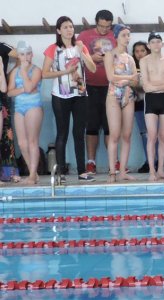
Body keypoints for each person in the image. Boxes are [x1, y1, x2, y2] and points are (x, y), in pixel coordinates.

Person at [43, 16, 97, 182]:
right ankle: (60, 173)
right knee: (62, 133)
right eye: (65, 27)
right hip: (60, 95)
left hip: (80, 94)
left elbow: (93, 69)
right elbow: (45, 73)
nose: (69, 29)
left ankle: (82, 172)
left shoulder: (80, 46)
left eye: (71, 27)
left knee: (79, 133)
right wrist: (65, 72)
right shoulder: (53, 49)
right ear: (59, 30)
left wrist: (83, 52)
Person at [77, 9, 116, 175]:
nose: (104, 30)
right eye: (101, 26)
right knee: (92, 126)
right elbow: (75, 57)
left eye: (107, 27)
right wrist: (92, 58)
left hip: (111, 87)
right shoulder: (84, 36)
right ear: (96, 22)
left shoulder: (115, 36)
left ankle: (113, 163)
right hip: (89, 86)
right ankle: (91, 162)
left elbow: (122, 58)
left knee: (111, 127)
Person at [139, 32, 164, 182]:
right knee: (152, 136)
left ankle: (160, 169)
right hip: (151, 100)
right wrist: (162, 84)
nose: (155, 44)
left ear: (162, 44)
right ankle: (152, 171)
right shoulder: (144, 61)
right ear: (148, 45)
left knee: (163, 135)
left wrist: (155, 85)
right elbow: (145, 87)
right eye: (152, 42)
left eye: (158, 41)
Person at [104, 24, 137, 183]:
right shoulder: (110, 55)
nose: (127, 38)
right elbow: (111, 77)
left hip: (128, 96)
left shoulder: (130, 58)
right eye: (124, 35)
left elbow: (136, 79)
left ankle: (122, 171)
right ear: (116, 37)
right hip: (113, 95)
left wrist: (129, 79)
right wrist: (129, 78)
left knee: (127, 135)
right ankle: (112, 172)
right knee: (115, 134)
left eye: (128, 35)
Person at [6, 41, 42, 185]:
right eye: (22, 54)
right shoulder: (14, 71)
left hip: (34, 106)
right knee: (21, 143)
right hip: (19, 107)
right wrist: (22, 90)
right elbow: (9, 92)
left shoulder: (37, 70)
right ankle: (34, 173)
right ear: (19, 56)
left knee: (32, 141)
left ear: (32, 55)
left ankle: (32, 175)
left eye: (28, 54)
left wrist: (23, 72)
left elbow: (28, 86)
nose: (26, 57)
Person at [131, 41, 153, 173]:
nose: (139, 54)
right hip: (138, 104)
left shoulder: (152, 65)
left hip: (153, 102)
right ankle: (148, 161)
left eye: (142, 51)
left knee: (155, 133)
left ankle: (156, 161)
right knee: (144, 133)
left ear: (148, 51)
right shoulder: (131, 67)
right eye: (136, 51)